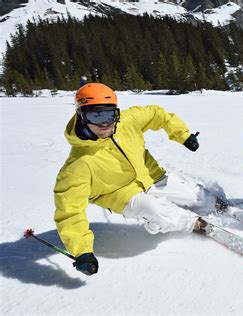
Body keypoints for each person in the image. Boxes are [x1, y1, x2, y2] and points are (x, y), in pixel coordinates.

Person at [54, 83, 209, 276]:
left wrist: (183, 135)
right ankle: (194, 224)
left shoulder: (127, 122)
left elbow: (157, 114)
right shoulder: (77, 165)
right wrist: (82, 252)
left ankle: (213, 204)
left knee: (197, 196)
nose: (105, 123)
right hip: (121, 195)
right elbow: (69, 212)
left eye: (110, 115)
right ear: (81, 115)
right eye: (96, 116)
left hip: (150, 175)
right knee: (155, 210)